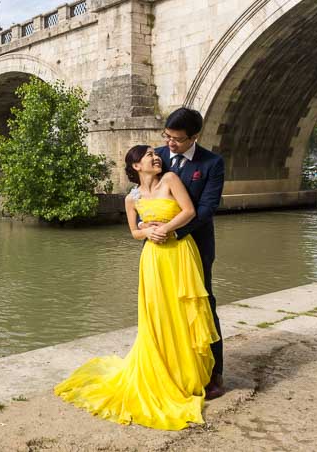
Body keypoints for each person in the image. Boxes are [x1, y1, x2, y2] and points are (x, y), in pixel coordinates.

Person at [54, 145, 220, 430]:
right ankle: (161, 367)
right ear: (136, 166)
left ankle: (186, 373)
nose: (156, 157)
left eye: (155, 155)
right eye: (148, 156)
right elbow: (134, 232)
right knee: (158, 315)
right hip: (153, 258)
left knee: (182, 311)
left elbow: (190, 211)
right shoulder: (131, 198)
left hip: (180, 252)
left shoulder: (170, 180)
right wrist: (148, 231)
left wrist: (165, 229)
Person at [148, 107, 225, 399]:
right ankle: (168, 366)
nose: (170, 144)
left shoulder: (212, 163)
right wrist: (147, 226)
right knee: (162, 307)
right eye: (167, 137)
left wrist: (174, 230)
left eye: (177, 140)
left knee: (202, 305)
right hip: (157, 246)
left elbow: (206, 209)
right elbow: (142, 192)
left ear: (194, 137)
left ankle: (213, 372)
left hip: (195, 244)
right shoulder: (157, 156)